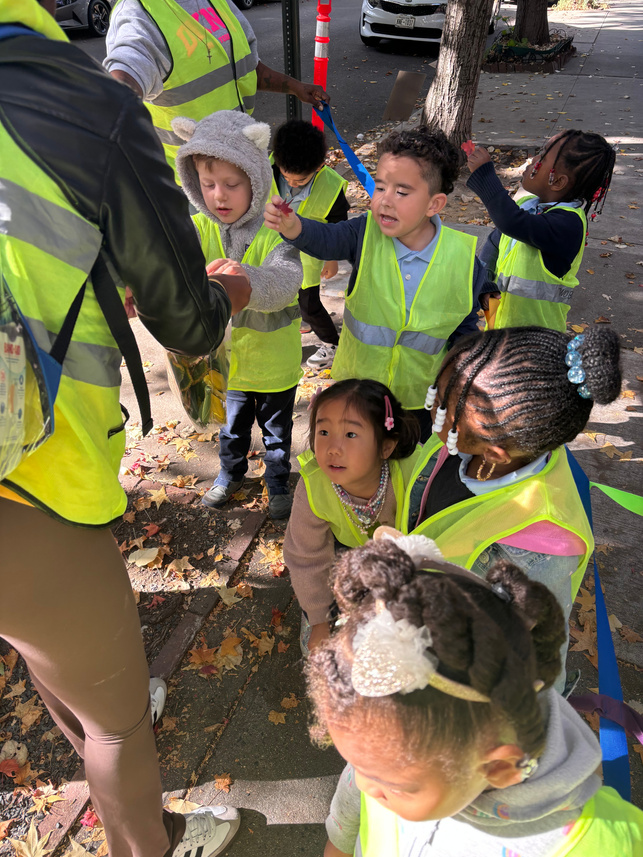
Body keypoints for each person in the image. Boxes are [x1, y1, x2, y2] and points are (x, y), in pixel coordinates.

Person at [0, 3, 251, 856]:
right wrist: (233, 295)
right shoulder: (76, 102)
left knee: (45, 638)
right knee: (117, 720)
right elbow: (187, 321)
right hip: (31, 482)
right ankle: (152, 841)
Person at [307, 536, 643, 857]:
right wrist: (340, 841)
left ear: (498, 766)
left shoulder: (605, 843)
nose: (365, 785)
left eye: (394, 785)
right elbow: (354, 794)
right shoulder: (387, 758)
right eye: (356, 763)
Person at [400, 325, 622, 689]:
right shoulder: (487, 443)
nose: (432, 410)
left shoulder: (536, 556)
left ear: (493, 454)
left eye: (441, 409)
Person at [265, 127, 487, 442]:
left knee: (406, 475)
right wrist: (294, 226)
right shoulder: (364, 233)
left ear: (433, 204)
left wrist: (466, 382)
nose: (384, 201)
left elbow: (464, 328)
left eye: (402, 191)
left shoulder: (464, 260)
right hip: (356, 393)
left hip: (418, 404)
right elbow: (329, 239)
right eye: (380, 187)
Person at [173, 110, 303, 519]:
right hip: (227, 369)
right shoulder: (199, 230)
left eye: (231, 184)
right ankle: (230, 474)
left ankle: (278, 480)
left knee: (277, 435)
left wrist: (243, 279)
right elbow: (170, 257)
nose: (219, 196)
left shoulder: (279, 230)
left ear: (256, 180)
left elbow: (287, 280)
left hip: (275, 365)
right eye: (207, 185)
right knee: (231, 431)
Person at [104, 0, 330, 178]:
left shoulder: (219, 2)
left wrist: (296, 87)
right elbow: (126, 69)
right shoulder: (138, 13)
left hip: (243, 163)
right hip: (192, 185)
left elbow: (247, 67)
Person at [283, 380, 420, 652]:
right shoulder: (314, 486)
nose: (333, 447)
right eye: (323, 431)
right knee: (324, 647)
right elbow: (306, 557)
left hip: (410, 553)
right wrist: (320, 619)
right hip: (344, 553)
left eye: (350, 435)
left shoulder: (416, 472)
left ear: (386, 447)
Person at [466, 130, 616, 331]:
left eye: (543, 156)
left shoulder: (568, 224)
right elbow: (497, 239)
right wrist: (486, 281)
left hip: (537, 343)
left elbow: (510, 222)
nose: (533, 159)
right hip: (500, 332)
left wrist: (485, 176)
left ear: (558, 181)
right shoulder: (529, 205)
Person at [271, 119, 349, 370]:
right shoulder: (266, 170)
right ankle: (295, 329)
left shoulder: (331, 186)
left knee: (309, 304)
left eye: (300, 181)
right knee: (277, 300)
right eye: (286, 177)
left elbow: (339, 226)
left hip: (307, 259)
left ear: (318, 167)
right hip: (270, 255)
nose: (292, 184)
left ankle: (332, 344)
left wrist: (332, 257)